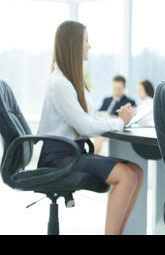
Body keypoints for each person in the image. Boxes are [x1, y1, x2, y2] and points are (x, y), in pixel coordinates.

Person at [37, 21, 143, 235]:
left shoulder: (70, 81)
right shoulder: (59, 83)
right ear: (72, 44)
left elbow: (85, 118)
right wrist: (120, 121)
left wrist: (115, 119)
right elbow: (85, 125)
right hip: (58, 157)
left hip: (71, 151)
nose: (89, 46)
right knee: (128, 175)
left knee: (137, 172)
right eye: (86, 40)